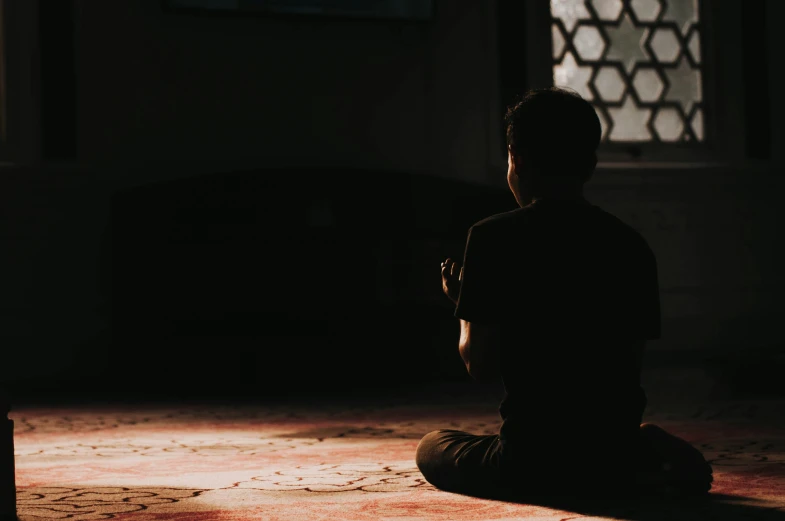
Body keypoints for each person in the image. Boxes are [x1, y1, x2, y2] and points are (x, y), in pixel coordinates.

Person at [415, 87, 713, 500]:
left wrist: (464, 305)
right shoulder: (630, 245)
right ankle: (635, 455)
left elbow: (479, 367)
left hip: (530, 460)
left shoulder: (492, 237)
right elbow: (626, 369)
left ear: (515, 160)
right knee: (622, 445)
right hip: (612, 451)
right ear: (589, 164)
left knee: (433, 445)